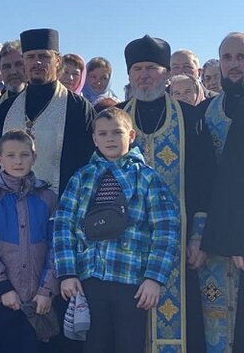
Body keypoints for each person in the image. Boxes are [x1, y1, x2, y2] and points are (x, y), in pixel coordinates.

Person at [53, 107, 180, 353]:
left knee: (129, 345)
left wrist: (154, 277)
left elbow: (165, 229)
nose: (110, 138)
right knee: (95, 345)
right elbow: (63, 226)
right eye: (103, 133)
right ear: (94, 139)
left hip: (131, 281)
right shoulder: (81, 178)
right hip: (91, 279)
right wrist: (67, 273)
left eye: (117, 132)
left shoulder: (147, 178)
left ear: (131, 136)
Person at [118, 34, 214, 352]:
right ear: (129, 74)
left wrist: (199, 236)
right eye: (138, 69)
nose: (144, 75)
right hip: (125, 246)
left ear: (167, 74)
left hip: (179, 242)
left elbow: (204, 180)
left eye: (152, 68)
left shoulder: (190, 118)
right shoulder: (114, 120)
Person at [0, 29, 95, 197]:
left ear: (58, 61)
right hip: (10, 210)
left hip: (60, 210)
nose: (37, 63)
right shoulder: (6, 109)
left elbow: (87, 164)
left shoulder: (78, 107)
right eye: (30, 57)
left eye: (44, 56)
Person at [0, 130, 59, 353]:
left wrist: (46, 290)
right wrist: (3, 286)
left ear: (34, 157)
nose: (18, 161)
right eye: (10, 156)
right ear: (0, 159)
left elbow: (57, 247)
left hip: (40, 300)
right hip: (3, 298)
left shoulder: (48, 197)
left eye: (24, 155)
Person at [199, 32, 244, 352]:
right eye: (227, 57)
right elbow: (199, 177)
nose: (234, 64)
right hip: (213, 239)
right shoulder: (207, 110)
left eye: (241, 57)